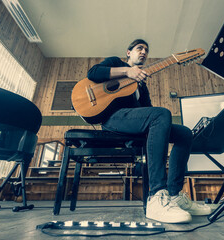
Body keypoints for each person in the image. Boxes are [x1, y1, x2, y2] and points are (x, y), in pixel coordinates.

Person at [87, 39, 211, 223]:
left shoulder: (141, 85)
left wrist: (139, 85)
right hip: (112, 118)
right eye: (139, 48)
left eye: (146, 50)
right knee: (161, 114)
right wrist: (127, 71)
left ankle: (174, 195)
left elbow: (150, 112)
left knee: (184, 133)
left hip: (134, 123)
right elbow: (93, 72)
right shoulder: (115, 63)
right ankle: (156, 196)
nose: (144, 52)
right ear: (129, 52)